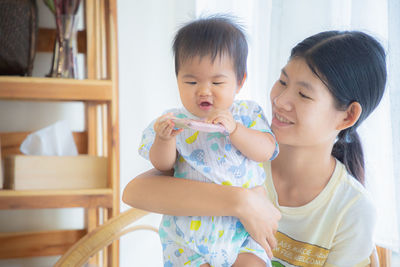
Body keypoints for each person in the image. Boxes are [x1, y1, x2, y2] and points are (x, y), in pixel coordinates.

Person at [124, 29, 386, 267]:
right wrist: (242, 202)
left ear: (347, 116)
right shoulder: (239, 152)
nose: (280, 100)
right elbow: (135, 191)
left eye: (304, 95)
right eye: (282, 82)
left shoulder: (352, 211)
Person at [137, 16, 279, 267]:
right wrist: (164, 139)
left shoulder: (246, 114)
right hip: (187, 236)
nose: (203, 90)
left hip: (241, 231)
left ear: (240, 81)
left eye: (217, 82)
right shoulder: (173, 120)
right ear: (177, 79)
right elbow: (162, 166)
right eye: (191, 81)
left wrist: (235, 130)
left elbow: (266, 151)